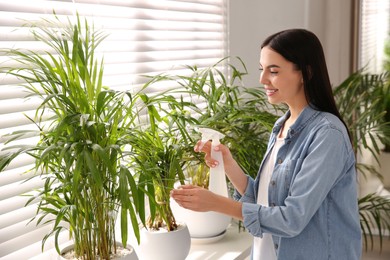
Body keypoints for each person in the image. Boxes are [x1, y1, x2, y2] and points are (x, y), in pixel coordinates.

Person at [170, 28, 362, 260]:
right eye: (262, 70)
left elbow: (292, 218)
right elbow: (265, 201)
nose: (262, 80)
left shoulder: (327, 134)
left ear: (305, 73)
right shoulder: (282, 125)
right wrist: (228, 163)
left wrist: (216, 204)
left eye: (273, 71)